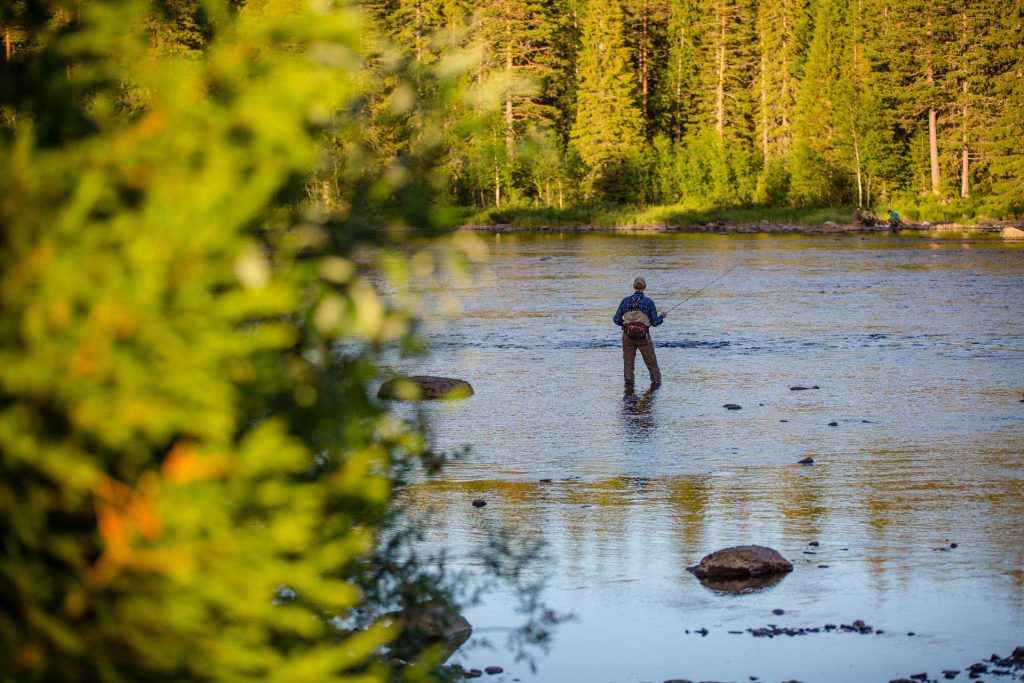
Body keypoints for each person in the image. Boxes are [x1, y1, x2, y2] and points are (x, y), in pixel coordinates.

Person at [613, 276, 666, 393]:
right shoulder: (649, 302)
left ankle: (629, 388)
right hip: (644, 337)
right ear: (645, 287)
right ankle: (656, 386)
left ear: (634, 287)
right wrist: (662, 316)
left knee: (628, 364)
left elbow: (616, 319)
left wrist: (626, 325)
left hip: (627, 337)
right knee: (652, 364)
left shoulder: (625, 301)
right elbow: (655, 323)